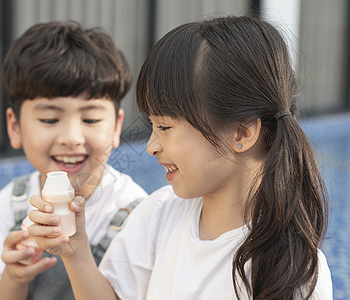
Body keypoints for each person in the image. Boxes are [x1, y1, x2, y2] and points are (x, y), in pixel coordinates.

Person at [28, 15, 333, 299]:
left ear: (241, 134)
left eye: (164, 126)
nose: (151, 146)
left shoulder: (296, 270)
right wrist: (76, 252)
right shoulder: (159, 215)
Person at [0, 21, 148, 300]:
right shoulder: (13, 201)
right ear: (14, 126)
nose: (71, 137)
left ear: (116, 127)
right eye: (50, 119)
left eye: (90, 119)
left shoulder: (136, 213)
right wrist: (14, 276)